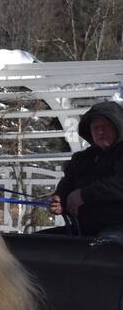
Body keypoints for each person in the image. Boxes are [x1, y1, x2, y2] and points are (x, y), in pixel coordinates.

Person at [49, 101, 123, 239]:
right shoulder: (82, 159)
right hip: (84, 230)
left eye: (105, 126)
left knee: (104, 248)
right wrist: (59, 200)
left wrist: (83, 195)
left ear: (117, 126)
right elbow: (67, 184)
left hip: (117, 230)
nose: (100, 132)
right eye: (96, 128)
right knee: (37, 244)